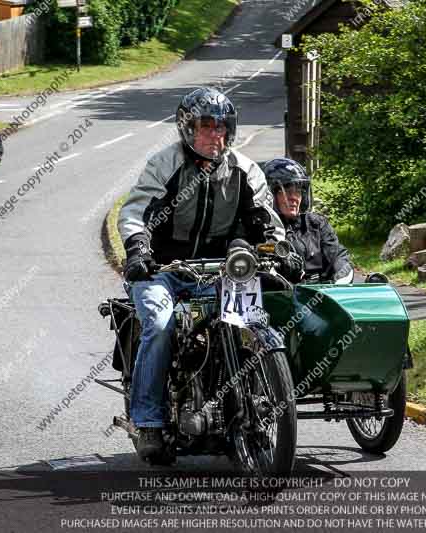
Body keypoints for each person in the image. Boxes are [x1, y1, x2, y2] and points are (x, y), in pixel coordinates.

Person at [117, 87, 300, 460]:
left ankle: (242, 404)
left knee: (251, 319)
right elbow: (136, 211)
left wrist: (279, 250)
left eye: (221, 127)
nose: (215, 135)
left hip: (224, 269)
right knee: (161, 323)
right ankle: (149, 421)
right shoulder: (165, 164)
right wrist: (138, 248)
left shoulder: (244, 170)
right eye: (206, 126)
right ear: (187, 128)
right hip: (164, 270)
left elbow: (267, 220)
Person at [263, 158, 354, 284]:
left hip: (318, 292)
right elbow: (258, 253)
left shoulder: (316, 224)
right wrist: (280, 257)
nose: (294, 198)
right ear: (270, 194)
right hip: (279, 292)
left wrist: (339, 277)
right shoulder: (261, 228)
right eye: (287, 192)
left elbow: (338, 256)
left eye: (298, 191)